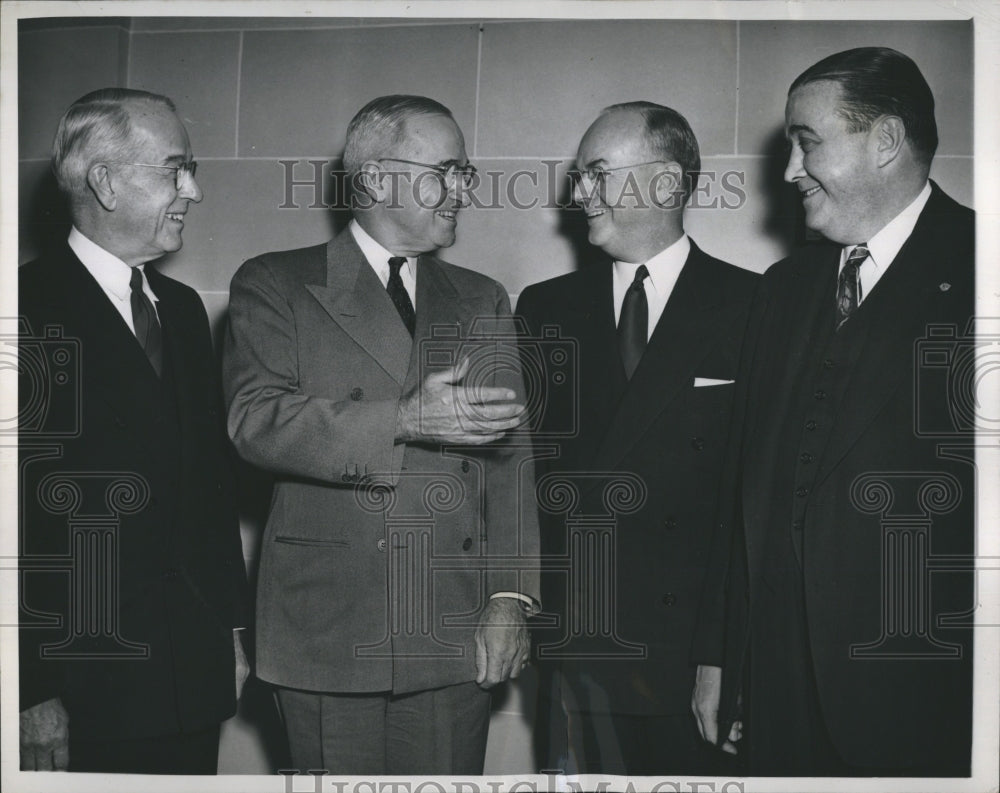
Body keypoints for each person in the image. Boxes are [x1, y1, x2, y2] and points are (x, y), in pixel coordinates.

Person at [222, 95, 540, 775]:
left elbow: (510, 464)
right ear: (373, 179)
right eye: (444, 171)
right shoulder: (276, 282)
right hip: (328, 625)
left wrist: (510, 596)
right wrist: (402, 418)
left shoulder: (480, 296)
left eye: (466, 172)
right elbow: (255, 422)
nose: (462, 190)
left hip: (451, 625)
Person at [691, 47, 975, 776]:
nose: (788, 170)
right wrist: (721, 656)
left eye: (806, 141)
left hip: (927, 696)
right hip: (778, 691)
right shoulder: (783, 288)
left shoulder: (986, 265)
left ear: (884, 141)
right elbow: (740, 487)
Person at [517, 101, 757, 775]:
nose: (577, 193)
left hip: (694, 656)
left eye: (597, 173)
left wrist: (722, 655)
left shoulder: (756, 306)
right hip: (580, 653)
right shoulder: (544, 307)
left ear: (668, 183)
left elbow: (752, 506)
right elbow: (522, 481)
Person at [18, 88, 250, 774]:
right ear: (105, 181)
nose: (195, 191)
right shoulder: (22, 310)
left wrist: (229, 630)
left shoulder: (179, 311)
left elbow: (206, 489)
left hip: (188, 674)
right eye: (174, 170)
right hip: (84, 683)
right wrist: (30, 688)